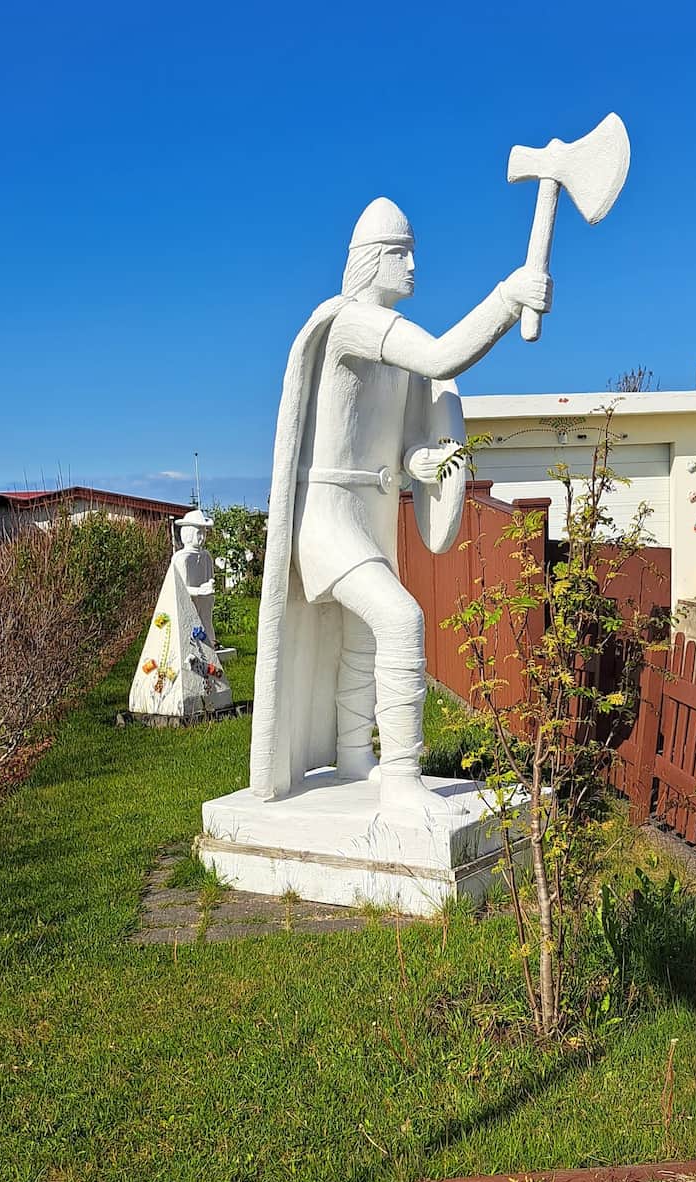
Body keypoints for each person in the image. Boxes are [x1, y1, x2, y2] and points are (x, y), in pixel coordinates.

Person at [250, 197, 551, 812]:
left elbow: (409, 434)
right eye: (400, 253)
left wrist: (421, 462)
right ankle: (405, 777)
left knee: (364, 639)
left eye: (413, 251)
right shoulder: (353, 324)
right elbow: (443, 356)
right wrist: (508, 296)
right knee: (400, 619)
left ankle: (357, 758)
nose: (413, 265)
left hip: (372, 511)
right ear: (371, 260)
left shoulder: (394, 354)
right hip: (330, 515)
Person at [173, 509, 218, 648]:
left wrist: (209, 585)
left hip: (205, 600)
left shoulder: (206, 556)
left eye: (204, 533)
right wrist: (199, 591)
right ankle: (190, 646)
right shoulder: (182, 558)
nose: (202, 537)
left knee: (206, 621)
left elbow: (210, 577)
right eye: (199, 533)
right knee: (190, 622)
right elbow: (180, 587)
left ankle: (210, 643)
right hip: (190, 600)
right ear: (187, 534)